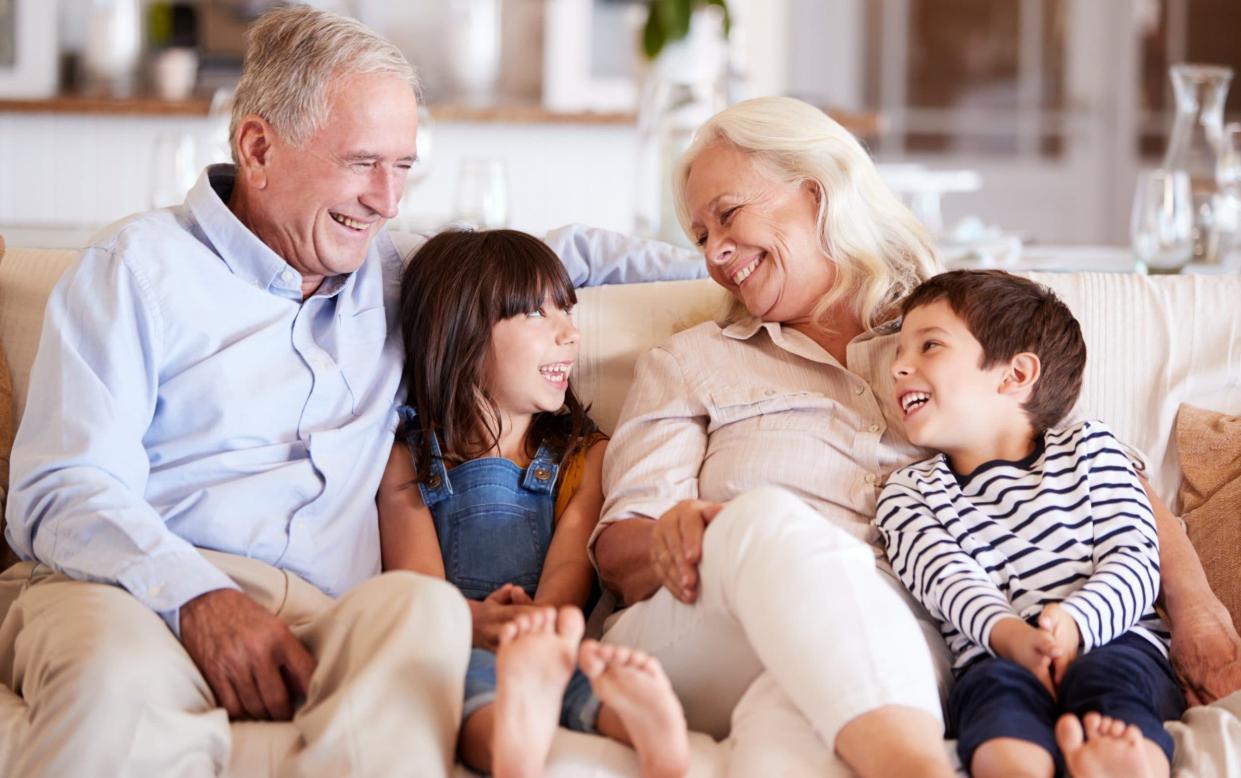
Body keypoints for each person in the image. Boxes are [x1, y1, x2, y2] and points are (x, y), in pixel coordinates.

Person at [591, 95, 1241, 776]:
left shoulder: (950, 331)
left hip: (900, 642)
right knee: (766, 522)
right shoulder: (692, 361)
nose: (714, 253)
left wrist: (1196, 612)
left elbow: (1098, 472)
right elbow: (618, 552)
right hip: (711, 623)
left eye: (726, 215)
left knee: (792, 732)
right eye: (698, 236)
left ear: (814, 192)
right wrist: (677, 535)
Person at [0, 7, 470, 777]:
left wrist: (731, 246)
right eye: (362, 162)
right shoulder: (136, 269)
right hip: (134, 594)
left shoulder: (397, 273)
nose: (388, 199)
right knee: (116, 679)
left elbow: (560, 265)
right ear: (258, 147)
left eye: (404, 167)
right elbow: (62, 486)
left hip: (328, 612)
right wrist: (197, 597)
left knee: (424, 612)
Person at [377, 229, 690, 778]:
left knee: (584, 675)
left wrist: (538, 628)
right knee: (455, 686)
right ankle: (511, 744)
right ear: (461, 333)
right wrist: (482, 626)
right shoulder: (408, 458)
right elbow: (418, 586)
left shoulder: (585, 456)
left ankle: (649, 735)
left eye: (568, 311)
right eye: (539, 315)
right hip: (454, 636)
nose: (571, 334)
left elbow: (572, 564)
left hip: (549, 634)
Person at [876, 270, 1184, 778]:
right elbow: (945, 580)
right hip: (995, 653)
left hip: (1114, 640)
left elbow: (1134, 561)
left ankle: (1128, 764)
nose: (899, 367)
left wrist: (1077, 625)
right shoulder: (910, 492)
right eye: (899, 353)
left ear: (1015, 375)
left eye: (928, 346)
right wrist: (1013, 638)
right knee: (995, 696)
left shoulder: (1092, 448)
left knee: (1116, 681)